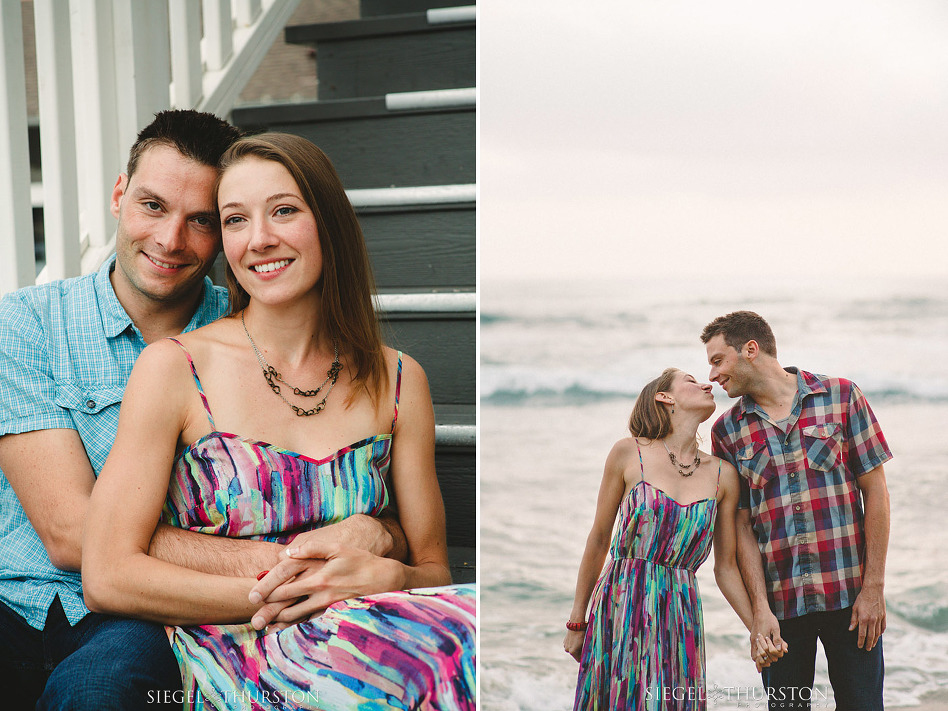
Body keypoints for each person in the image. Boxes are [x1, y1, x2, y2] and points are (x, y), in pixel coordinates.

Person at [0, 111, 403, 710]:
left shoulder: (250, 333)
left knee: (103, 688)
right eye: (153, 206)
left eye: (203, 222)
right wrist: (302, 566)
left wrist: (378, 536)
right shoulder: (29, 322)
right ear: (119, 195)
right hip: (23, 599)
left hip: (151, 616)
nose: (170, 240)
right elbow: (70, 533)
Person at [81, 132, 476, 711]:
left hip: (375, 623)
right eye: (235, 220)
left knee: (469, 638)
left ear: (329, 223)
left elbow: (432, 565)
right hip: (236, 643)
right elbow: (108, 575)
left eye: (284, 211)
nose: (259, 240)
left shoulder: (398, 381)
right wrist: (291, 594)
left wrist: (389, 579)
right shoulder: (175, 367)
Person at [702, 311, 892, 710]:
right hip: (781, 609)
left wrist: (873, 588)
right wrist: (759, 611)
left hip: (851, 598)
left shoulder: (842, 397)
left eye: (718, 360)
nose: (713, 375)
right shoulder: (727, 431)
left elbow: (875, 491)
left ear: (750, 349)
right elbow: (742, 526)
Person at [564, 367, 780, 710]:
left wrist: (758, 628)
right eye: (692, 381)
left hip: (679, 615)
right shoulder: (628, 453)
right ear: (665, 398)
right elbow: (599, 538)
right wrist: (578, 620)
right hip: (621, 603)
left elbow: (725, 568)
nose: (707, 383)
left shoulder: (724, 475)